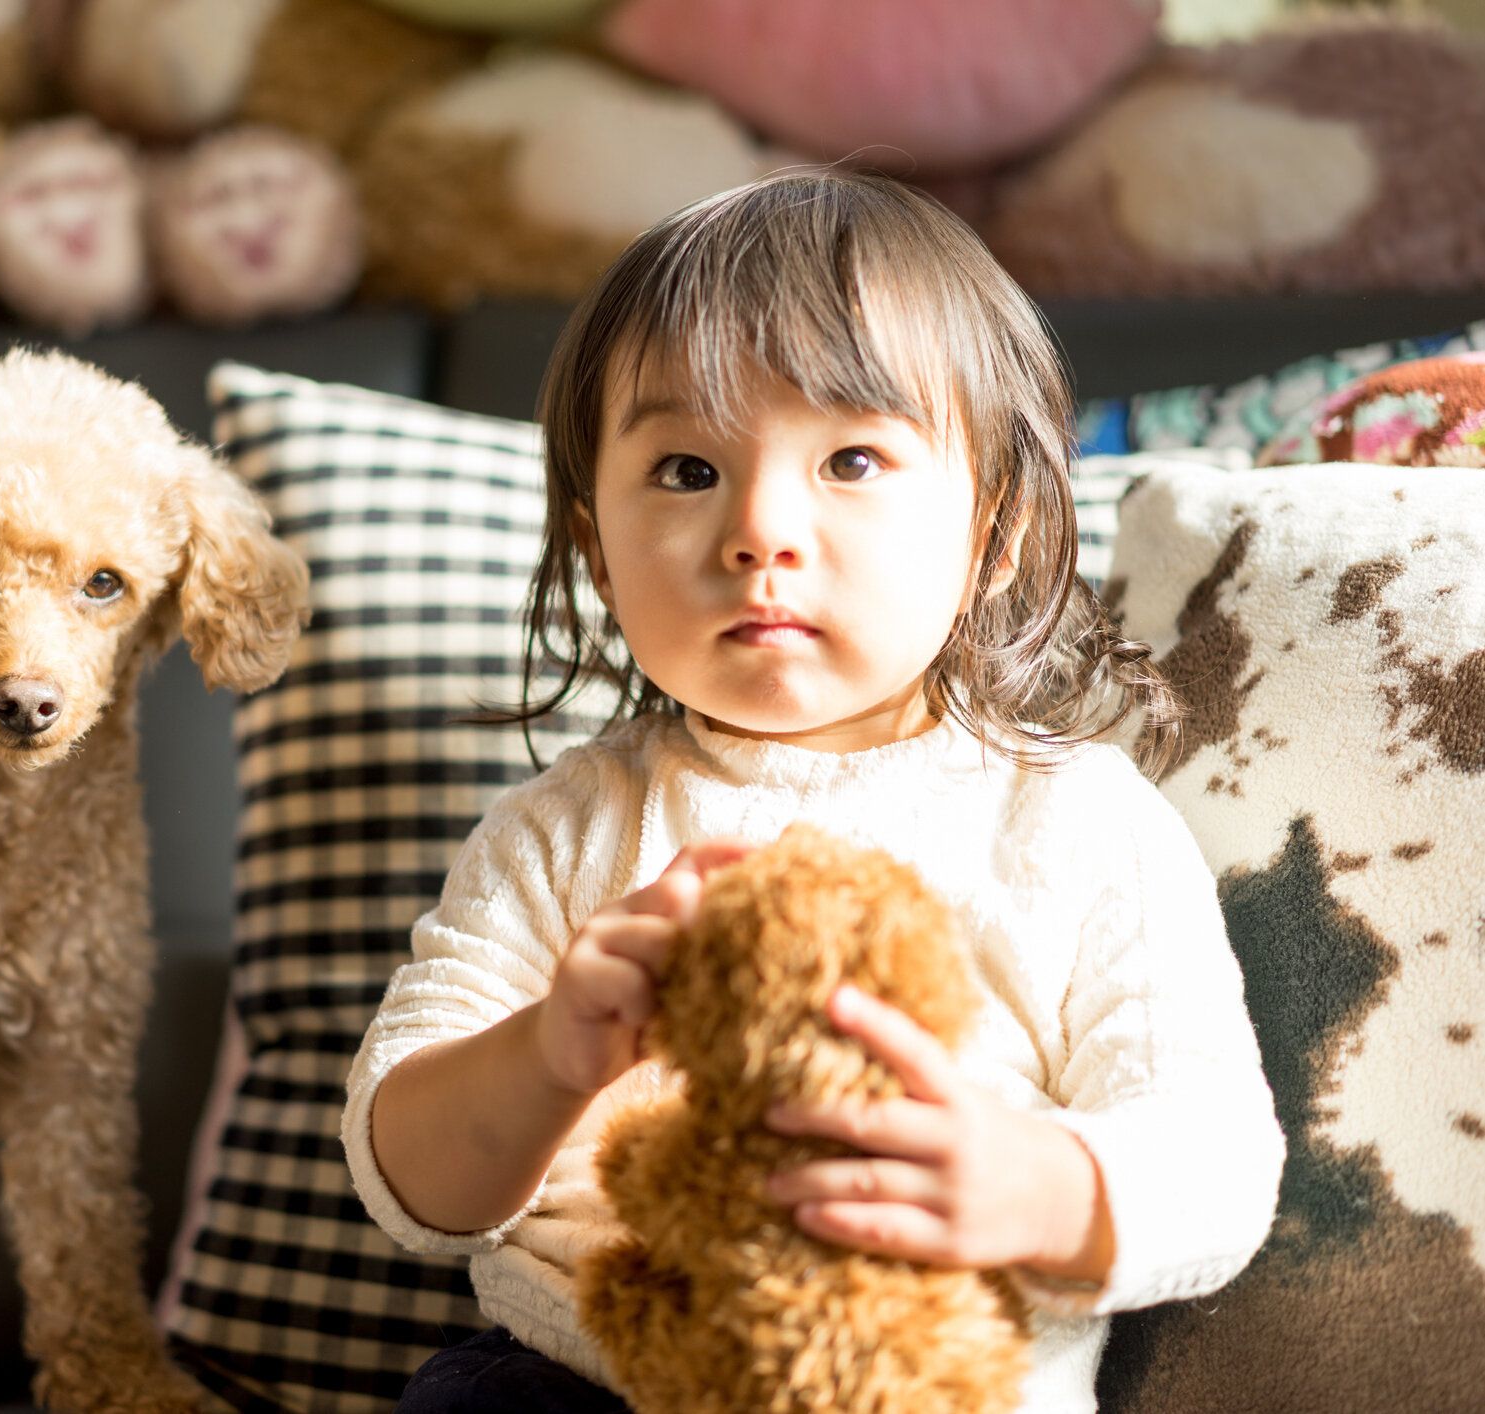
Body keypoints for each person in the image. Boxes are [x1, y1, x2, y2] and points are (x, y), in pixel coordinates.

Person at [339, 169, 1285, 1413]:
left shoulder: (1081, 822)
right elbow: (408, 1180)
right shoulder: (563, 831)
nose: (761, 529)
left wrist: (1040, 1189)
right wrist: (547, 1055)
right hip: (575, 1373)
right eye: (684, 469)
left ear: (992, 532)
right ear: (593, 546)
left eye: (850, 457)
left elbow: (1217, 1163)